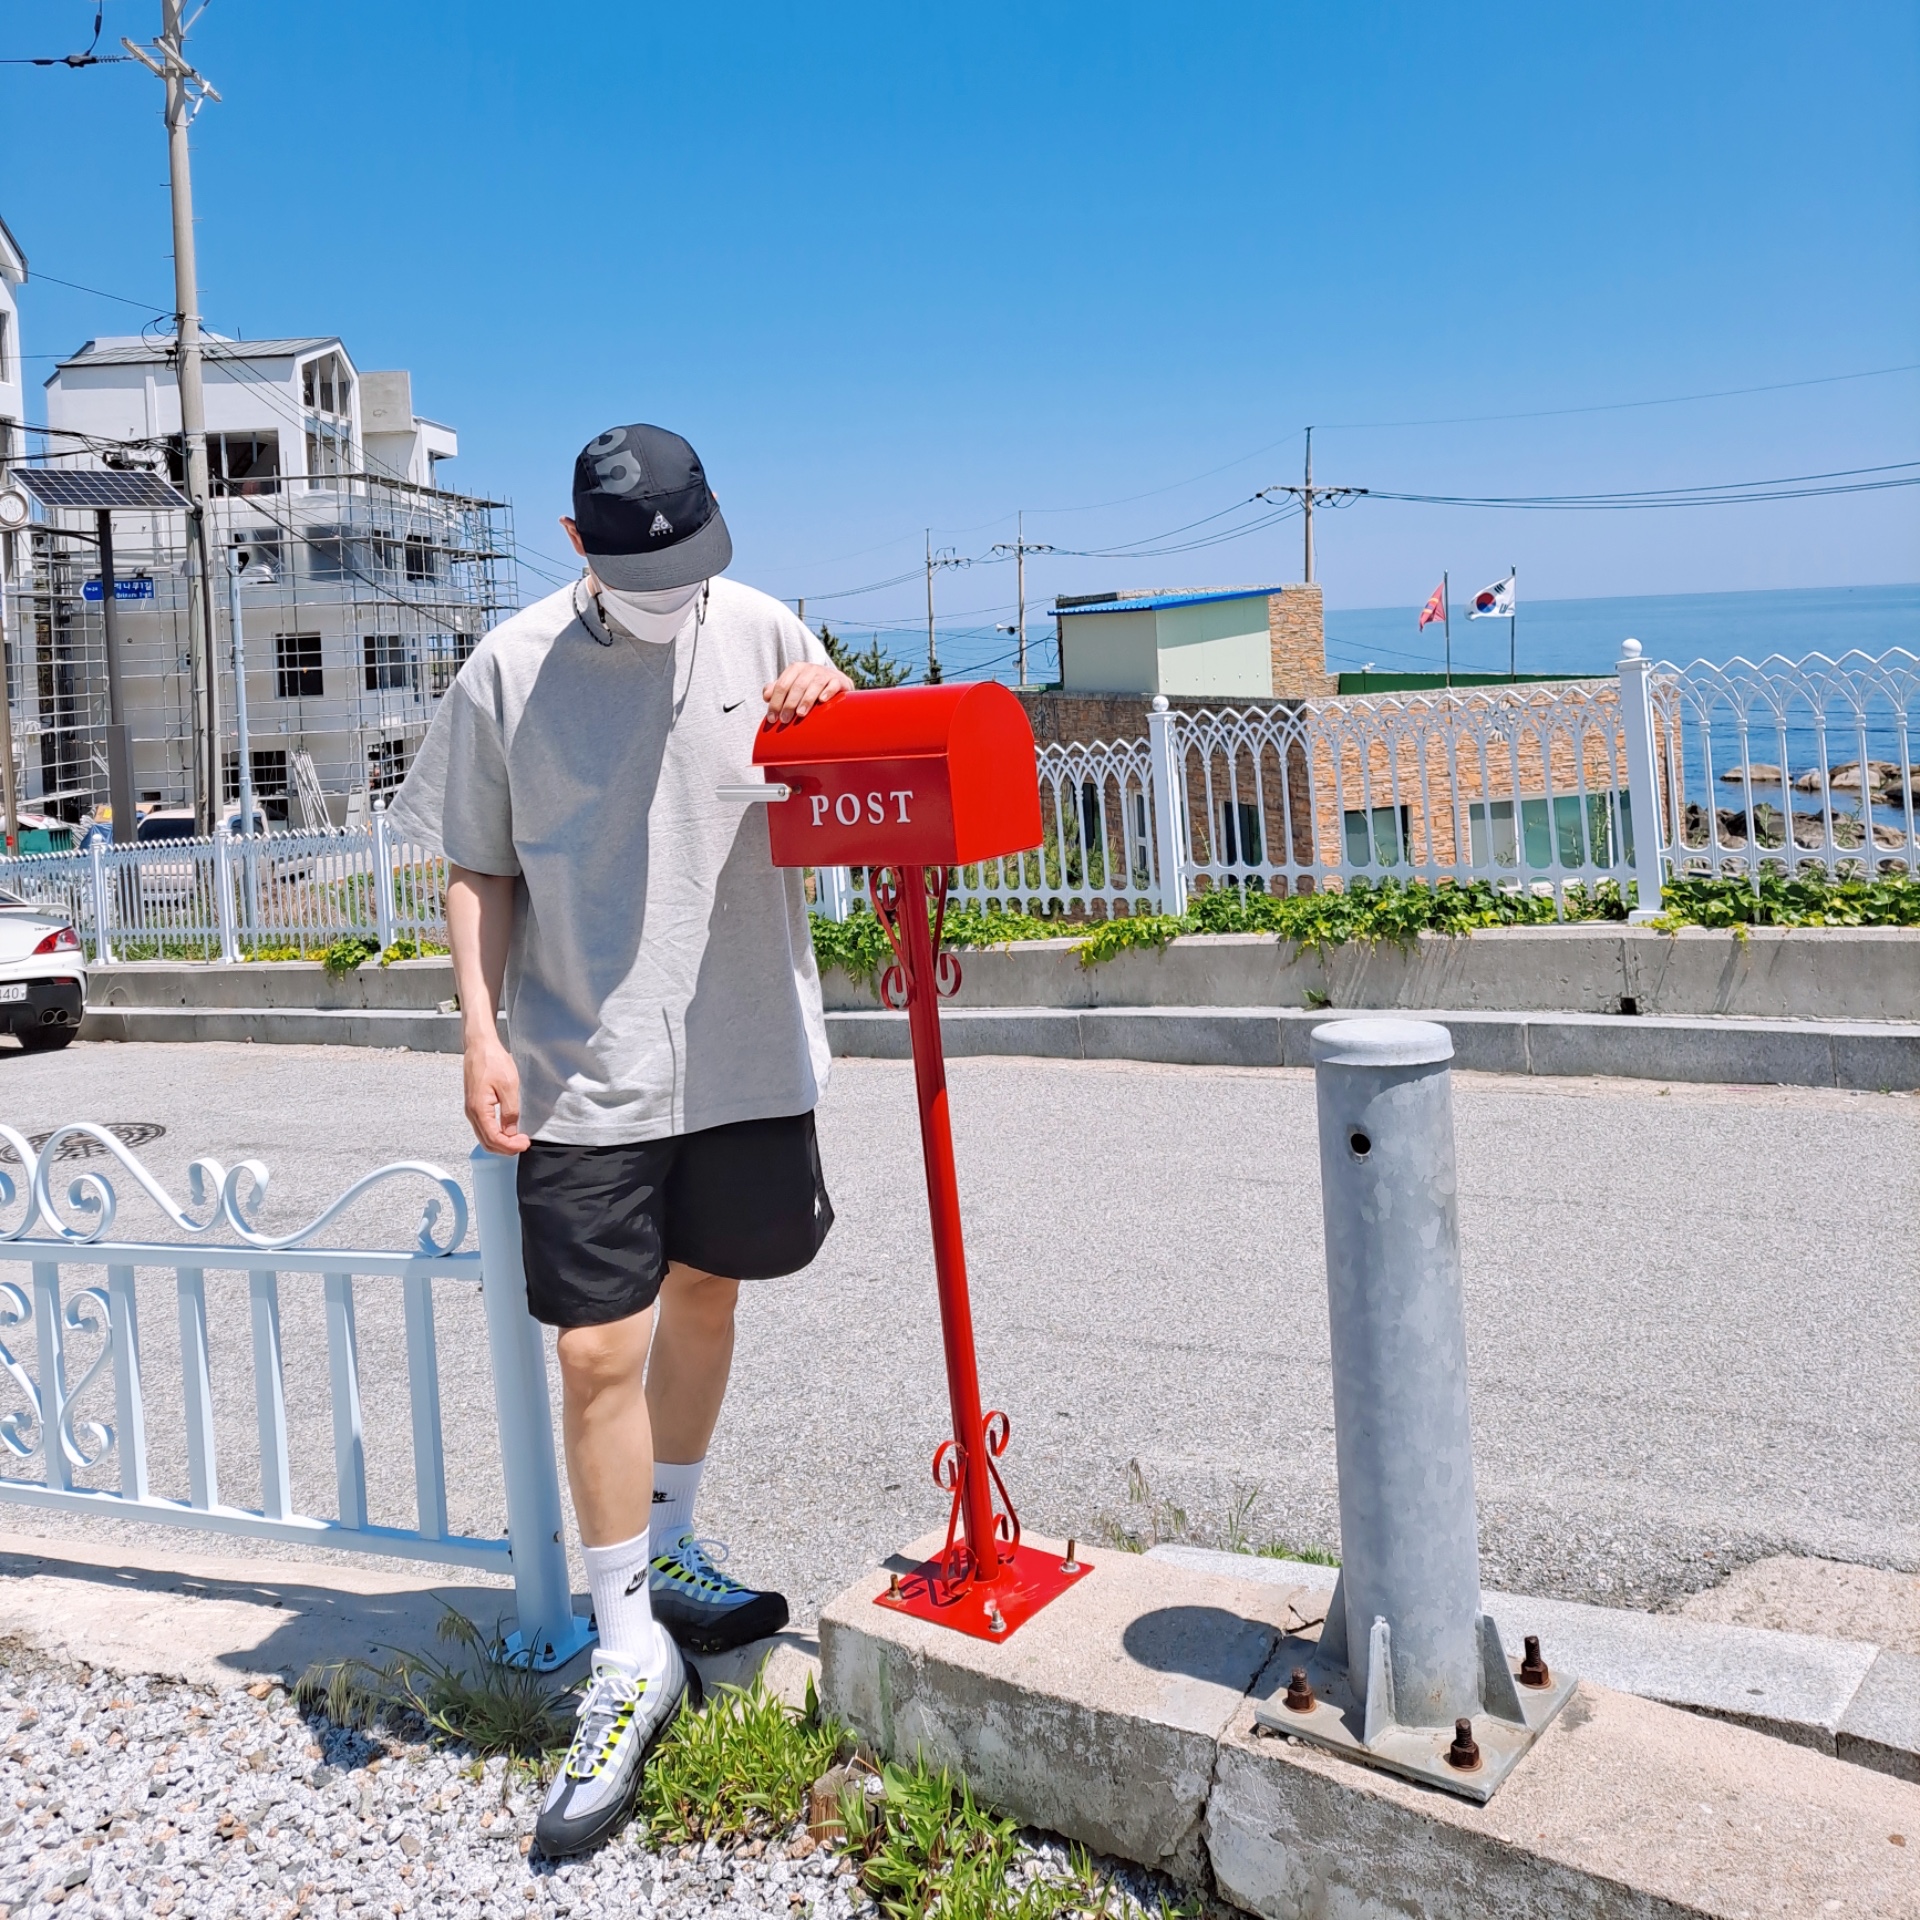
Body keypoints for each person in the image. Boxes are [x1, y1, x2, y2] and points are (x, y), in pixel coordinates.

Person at [387, 423, 853, 1857]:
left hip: (746, 1047)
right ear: (577, 546)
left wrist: (833, 698)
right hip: (582, 1063)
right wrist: (480, 1033)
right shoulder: (509, 668)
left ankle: (672, 1539)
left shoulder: (763, 623)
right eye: (642, 574)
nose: (674, 598)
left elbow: (845, 787)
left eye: (690, 567)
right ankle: (624, 1645)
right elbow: (477, 866)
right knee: (595, 1347)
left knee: (710, 1295)